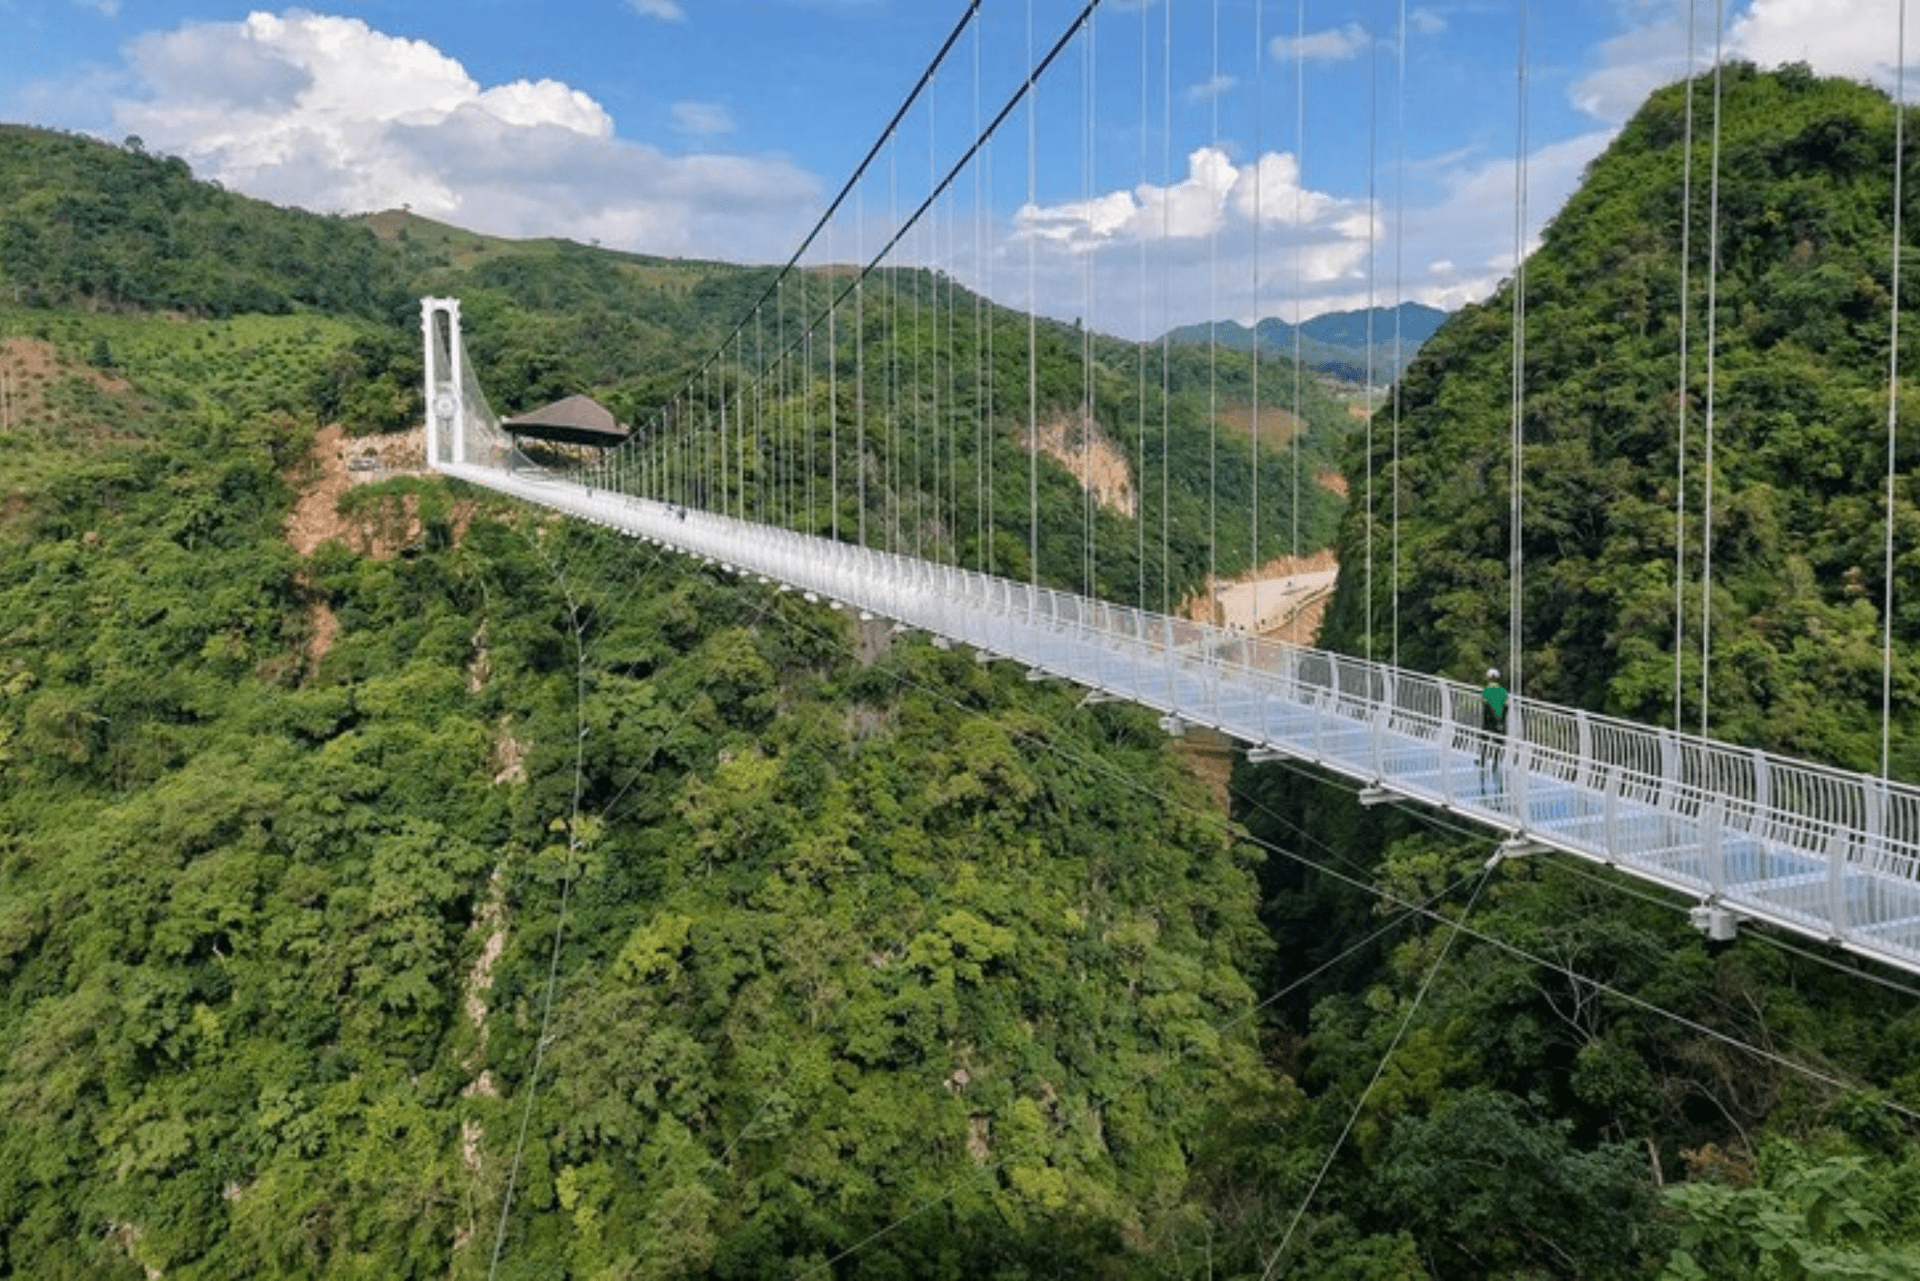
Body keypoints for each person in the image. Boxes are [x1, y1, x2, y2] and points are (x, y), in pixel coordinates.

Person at [1480, 667, 1509, 783]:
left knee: (1484, 741)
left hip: (1488, 721)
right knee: (1498, 743)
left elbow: (1485, 707)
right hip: (1500, 721)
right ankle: (1495, 763)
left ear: (1488, 678)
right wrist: (1500, 721)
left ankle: (1483, 761)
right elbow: (1506, 707)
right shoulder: (1503, 692)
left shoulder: (1486, 691)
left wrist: (1488, 721)